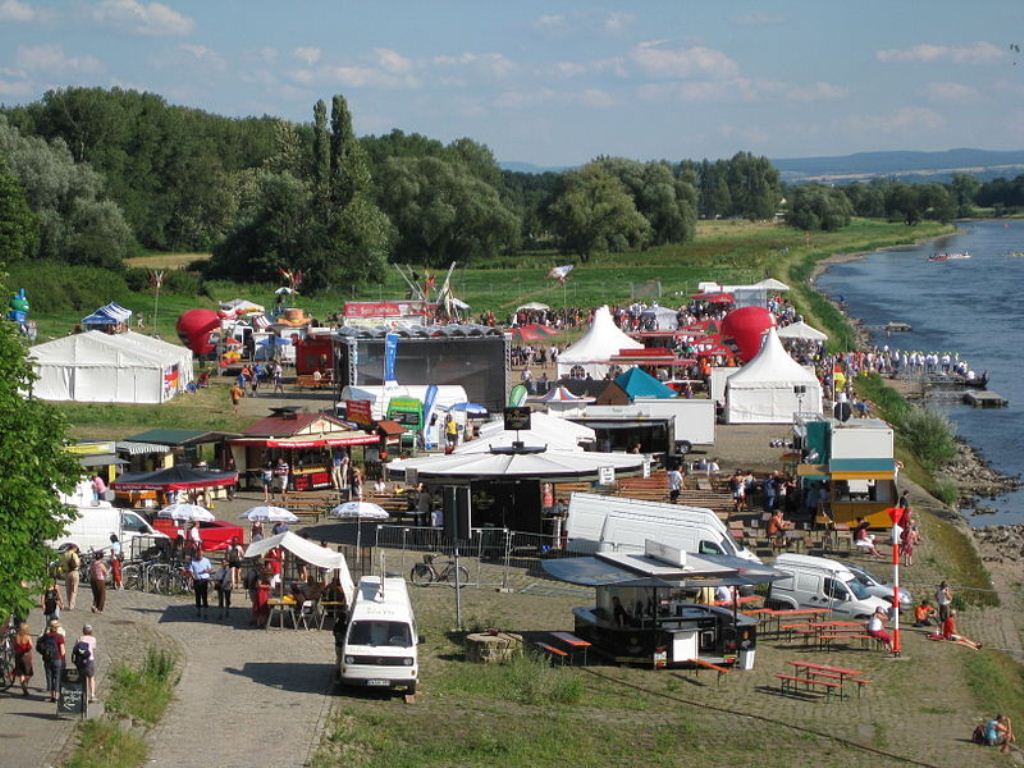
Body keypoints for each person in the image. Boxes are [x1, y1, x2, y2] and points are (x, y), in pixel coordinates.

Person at [36, 618, 66, 702]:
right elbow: (63, 651)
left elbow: (39, 646)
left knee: (51, 677)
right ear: (57, 628)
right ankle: (57, 696)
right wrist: (62, 659)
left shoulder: (46, 636)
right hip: (57, 659)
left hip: (47, 659)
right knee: (57, 677)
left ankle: (52, 696)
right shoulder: (60, 637)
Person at [72, 624, 98, 702]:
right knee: (91, 677)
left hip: (80, 661)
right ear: (91, 631)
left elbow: (75, 649)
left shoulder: (79, 638)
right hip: (89, 660)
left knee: (82, 678)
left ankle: (83, 694)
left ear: (83, 631)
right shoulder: (93, 639)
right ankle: (92, 695)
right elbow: (93, 648)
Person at [189, 548, 213, 619]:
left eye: (201, 555)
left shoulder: (206, 560)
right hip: (197, 580)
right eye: (198, 555)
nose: (199, 556)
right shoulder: (193, 561)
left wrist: (207, 570)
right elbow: (191, 570)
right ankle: (198, 611)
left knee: (204, 596)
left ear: (203, 554)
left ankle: (205, 612)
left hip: (204, 580)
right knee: (197, 596)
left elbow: (211, 569)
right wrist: (192, 576)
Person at [12, 622, 34, 696]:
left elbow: (14, 646)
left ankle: (24, 688)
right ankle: (25, 684)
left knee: (21, 673)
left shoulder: (16, 636)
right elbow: (31, 646)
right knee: (28, 673)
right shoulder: (28, 637)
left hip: (18, 656)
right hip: (26, 656)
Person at [63, 544, 81, 610]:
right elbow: (77, 564)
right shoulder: (74, 554)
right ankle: (71, 605)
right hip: (74, 572)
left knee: (68, 589)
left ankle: (69, 603)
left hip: (67, 572)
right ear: (73, 548)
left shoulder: (64, 554)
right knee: (74, 589)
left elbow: (62, 564)